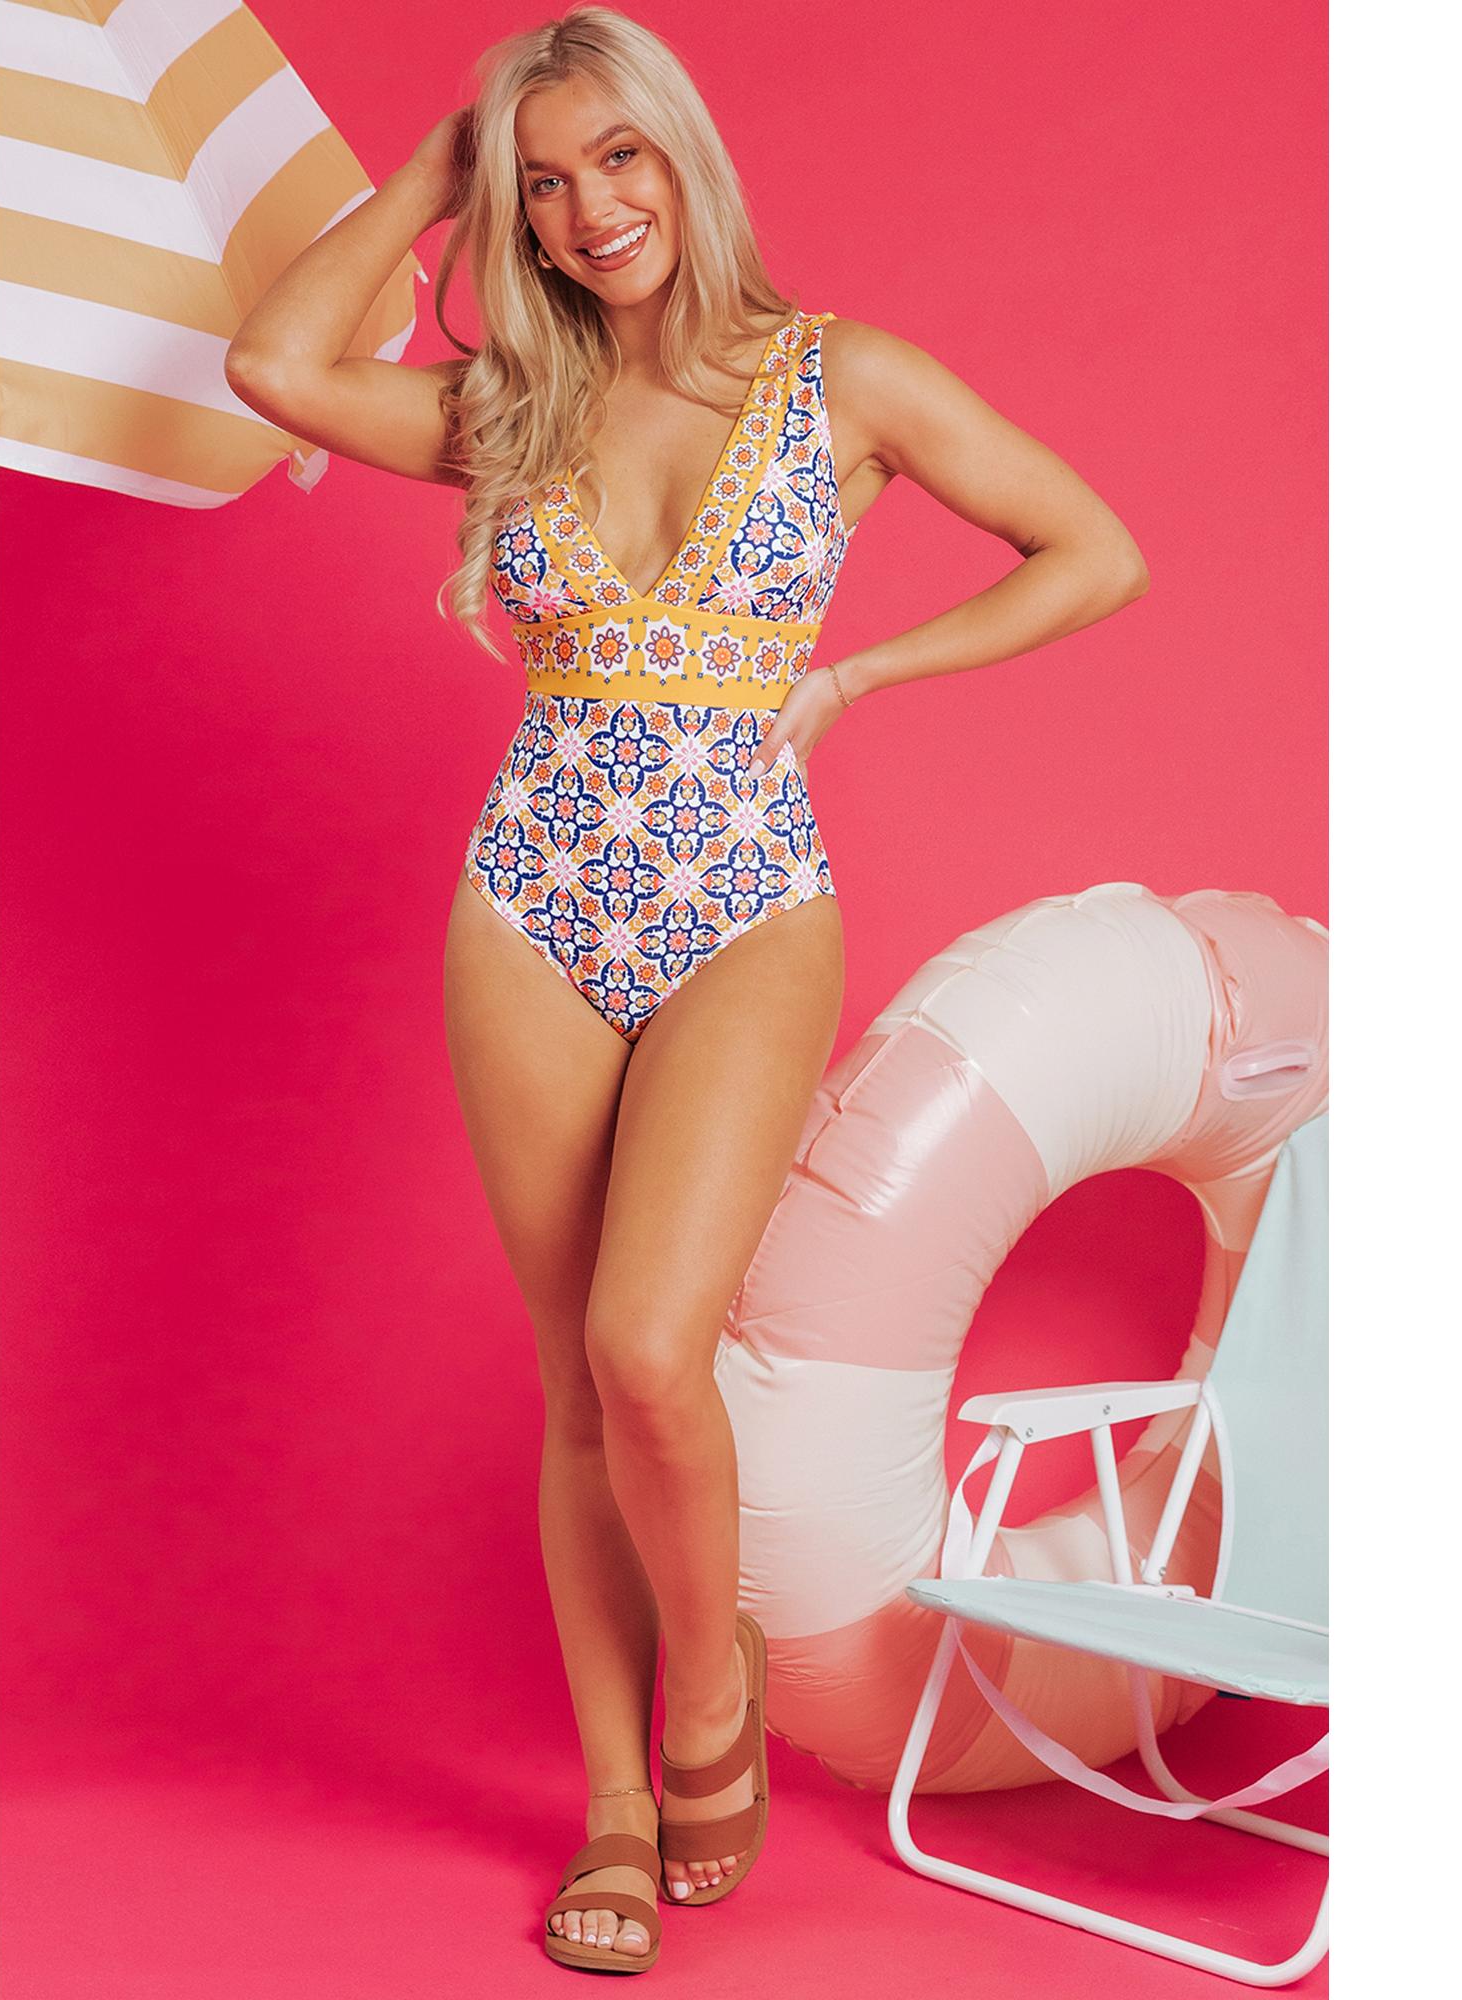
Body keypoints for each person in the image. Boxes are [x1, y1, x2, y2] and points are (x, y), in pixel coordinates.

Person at [225, 4, 1148, 1974]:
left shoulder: (842, 378)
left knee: (655, 1348)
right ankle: (619, 1807)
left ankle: (708, 1689)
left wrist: (855, 679)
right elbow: (274, 367)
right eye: (542, 183)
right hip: (530, 898)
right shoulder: (507, 407)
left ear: (681, 154)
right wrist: (435, 173)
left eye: (614, 158)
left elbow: (1092, 551)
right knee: (577, 1382)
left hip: (742, 895)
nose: (586, 210)